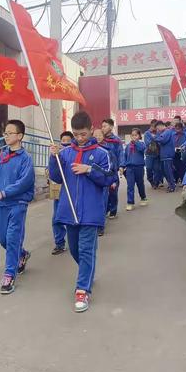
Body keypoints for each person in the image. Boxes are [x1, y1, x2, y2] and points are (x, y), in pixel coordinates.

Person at [49, 111, 113, 313]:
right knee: (75, 249)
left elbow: (109, 179)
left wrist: (89, 169)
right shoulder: (66, 153)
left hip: (91, 212)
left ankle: (82, 289)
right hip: (69, 210)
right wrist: (54, 158)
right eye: (76, 134)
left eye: (83, 134)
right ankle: (88, 271)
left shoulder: (102, 153)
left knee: (85, 250)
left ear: (91, 129)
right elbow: (57, 178)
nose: (79, 138)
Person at [0, 120, 35, 295]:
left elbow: (24, 183)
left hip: (17, 203)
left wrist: (4, 193)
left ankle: (9, 275)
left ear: (19, 136)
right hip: (1, 204)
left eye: (9, 133)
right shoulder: (2, 156)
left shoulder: (26, 159)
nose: (6, 136)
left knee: (12, 238)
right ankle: (21, 255)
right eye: (5, 133)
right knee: (3, 239)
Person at [49, 131, 73, 255]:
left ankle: (76, 241)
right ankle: (59, 243)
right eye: (63, 140)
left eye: (68, 140)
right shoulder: (57, 153)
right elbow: (53, 173)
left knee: (72, 217)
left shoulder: (74, 153)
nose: (65, 143)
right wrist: (54, 157)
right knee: (57, 217)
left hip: (72, 191)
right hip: (59, 190)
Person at [101, 118, 125, 219]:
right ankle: (105, 210)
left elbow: (120, 153)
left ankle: (113, 210)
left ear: (111, 127)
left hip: (113, 171)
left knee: (113, 191)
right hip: (102, 171)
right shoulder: (100, 139)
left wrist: (121, 166)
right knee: (103, 192)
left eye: (104, 126)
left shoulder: (116, 140)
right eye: (102, 126)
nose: (102, 128)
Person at [122, 128, 147, 211]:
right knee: (130, 185)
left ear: (139, 136)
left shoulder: (142, 144)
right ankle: (130, 202)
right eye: (132, 135)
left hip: (139, 167)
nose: (134, 137)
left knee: (140, 184)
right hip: (129, 168)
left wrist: (136, 142)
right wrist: (122, 166)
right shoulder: (128, 146)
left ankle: (143, 197)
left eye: (136, 135)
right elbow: (124, 156)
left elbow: (142, 149)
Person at [93, 128, 110, 237]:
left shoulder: (106, 150)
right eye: (95, 135)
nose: (97, 137)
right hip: (92, 181)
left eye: (100, 135)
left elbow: (111, 166)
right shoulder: (89, 149)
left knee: (101, 204)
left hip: (103, 181)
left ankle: (100, 227)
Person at [156, 121, 176, 192]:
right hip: (165, 155)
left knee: (168, 171)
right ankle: (171, 185)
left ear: (160, 125)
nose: (157, 130)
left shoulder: (167, 132)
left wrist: (156, 138)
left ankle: (172, 186)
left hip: (167, 155)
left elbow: (162, 139)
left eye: (158, 128)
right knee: (166, 171)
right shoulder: (166, 132)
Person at [143, 119, 163, 189]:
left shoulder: (159, 132)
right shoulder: (147, 133)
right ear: (151, 125)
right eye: (154, 126)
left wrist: (156, 138)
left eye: (156, 126)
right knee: (149, 168)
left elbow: (161, 142)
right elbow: (147, 143)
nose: (155, 128)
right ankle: (151, 181)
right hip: (149, 154)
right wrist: (154, 138)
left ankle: (156, 183)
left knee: (157, 169)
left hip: (157, 154)